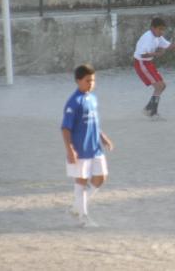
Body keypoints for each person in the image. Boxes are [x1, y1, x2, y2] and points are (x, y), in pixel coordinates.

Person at [61, 64, 114, 228]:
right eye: (87, 81)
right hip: (81, 148)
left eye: (93, 80)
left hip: (95, 147)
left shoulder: (93, 98)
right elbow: (65, 128)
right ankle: (83, 217)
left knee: (101, 177)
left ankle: (76, 207)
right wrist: (70, 149)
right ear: (78, 81)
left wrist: (103, 137)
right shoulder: (74, 102)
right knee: (81, 181)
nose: (91, 84)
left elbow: (94, 122)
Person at [134, 17, 175, 118]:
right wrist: (157, 54)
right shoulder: (147, 38)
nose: (162, 32)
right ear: (152, 28)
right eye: (160, 29)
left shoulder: (158, 37)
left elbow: (168, 47)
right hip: (141, 63)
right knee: (159, 86)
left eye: (163, 29)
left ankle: (149, 109)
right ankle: (152, 111)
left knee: (162, 86)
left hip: (148, 63)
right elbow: (142, 54)